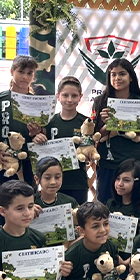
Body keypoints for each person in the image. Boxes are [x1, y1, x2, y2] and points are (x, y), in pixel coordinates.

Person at [0, 55, 41, 214]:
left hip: (28, 160)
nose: (25, 76)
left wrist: (37, 133)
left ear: (34, 76)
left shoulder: (38, 103)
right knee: (1, 199)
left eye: (30, 73)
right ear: (12, 71)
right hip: (3, 158)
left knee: (26, 199)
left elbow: (42, 134)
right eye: (21, 72)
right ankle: (1, 233)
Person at [92, 59, 140, 200]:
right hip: (108, 162)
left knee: (133, 205)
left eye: (122, 74)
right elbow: (93, 136)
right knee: (105, 205)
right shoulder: (100, 101)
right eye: (113, 74)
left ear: (131, 77)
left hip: (133, 162)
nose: (117, 78)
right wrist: (107, 125)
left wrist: (137, 124)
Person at [35, 76, 90, 206]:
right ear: (58, 96)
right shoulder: (49, 122)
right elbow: (41, 149)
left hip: (77, 182)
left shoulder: (86, 123)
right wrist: (37, 138)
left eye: (74, 96)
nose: (69, 100)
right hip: (52, 183)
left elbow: (91, 149)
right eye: (65, 95)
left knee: (78, 219)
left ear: (80, 97)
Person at [106, 158, 140, 265]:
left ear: (137, 182)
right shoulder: (111, 204)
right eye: (117, 178)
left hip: (136, 262)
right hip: (110, 259)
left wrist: (128, 261)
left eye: (126, 180)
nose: (120, 184)